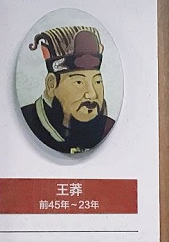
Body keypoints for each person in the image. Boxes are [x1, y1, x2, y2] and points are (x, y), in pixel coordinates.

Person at [21, 26, 115, 154]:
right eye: (79, 82)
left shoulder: (108, 129)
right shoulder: (27, 123)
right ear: (51, 84)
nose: (92, 94)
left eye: (97, 82)